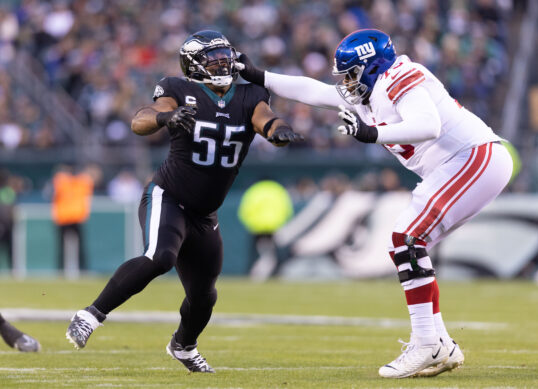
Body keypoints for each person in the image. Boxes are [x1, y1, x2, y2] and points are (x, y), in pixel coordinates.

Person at [238, 29, 513, 378]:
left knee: (406, 239)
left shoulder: (398, 77)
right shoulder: (370, 90)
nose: (347, 84)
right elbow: (315, 90)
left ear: (371, 66)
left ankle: (427, 343)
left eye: (352, 74)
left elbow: (428, 125)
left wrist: (372, 134)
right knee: (406, 243)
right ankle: (438, 342)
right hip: (460, 164)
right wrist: (258, 75)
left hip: (472, 157)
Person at [65, 30, 303, 373]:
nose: (222, 62)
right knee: (160, 257)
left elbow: (265, 118)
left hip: (206, 212)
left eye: (225, 56)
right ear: (194, 65)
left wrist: (278, 130)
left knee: (204, 293)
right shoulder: (177, 88)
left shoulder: (251, 94)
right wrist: (166, 118)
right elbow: (139, 121)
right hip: (170, 196)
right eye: (213, 58)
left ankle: (183, 345)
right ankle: (91, 314)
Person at [237, 179, 294, 280]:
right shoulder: (278, 190)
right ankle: (276, 274)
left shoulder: (254, 190)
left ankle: (249, 275)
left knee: (254, 254)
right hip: (275, 226)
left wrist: (251, 224)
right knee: (275, 254)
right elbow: (287, 209)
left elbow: (245, 210)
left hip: (257, 227)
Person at [51, 164, 98, 275]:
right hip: (65, 217)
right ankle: (63, 270)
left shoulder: (79, 182)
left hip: (73, 217)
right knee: (63, 246)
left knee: (78, 246)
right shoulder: (66, 182)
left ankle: (81, 269)